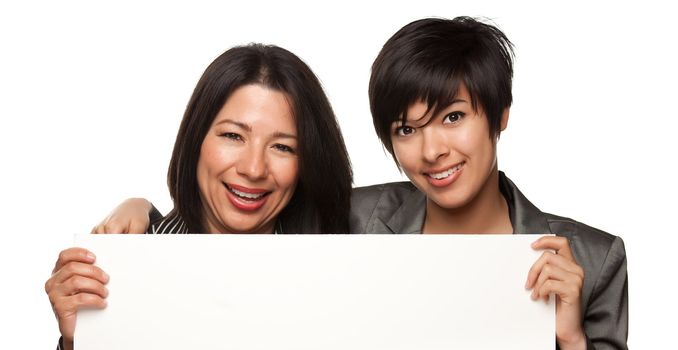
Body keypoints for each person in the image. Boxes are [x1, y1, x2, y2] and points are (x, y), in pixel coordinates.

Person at [90, 17, 628, 350]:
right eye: (407, 129)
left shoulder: (594, 259)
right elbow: (236, 233)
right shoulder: (346, 219)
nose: (433, 149)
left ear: (500, 114)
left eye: (454, 117)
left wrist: (572, 341)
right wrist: (147, 221)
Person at [44, 43, 353, 350]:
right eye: (233, 136)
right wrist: (79, 341)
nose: (254, 168)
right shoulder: (121, 268)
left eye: (283, 147)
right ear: (197, 140)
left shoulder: (343, 271)